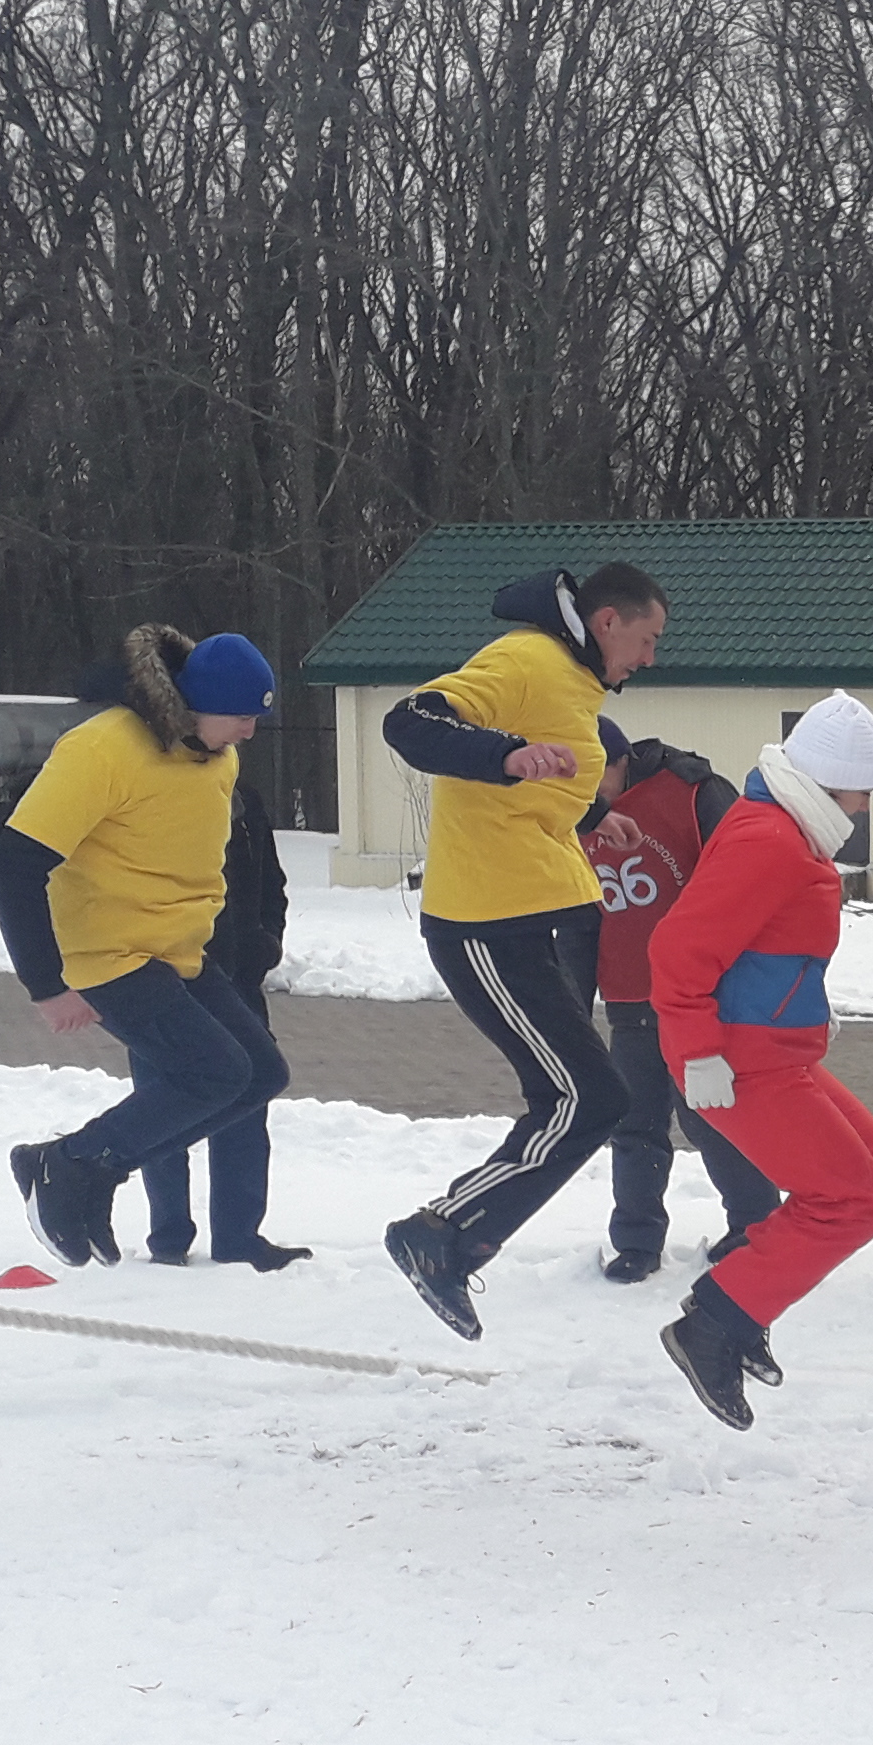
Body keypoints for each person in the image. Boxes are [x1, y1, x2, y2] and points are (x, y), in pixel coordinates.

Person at [376, 561, 665, 1338]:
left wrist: (588, 824)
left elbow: (527, 802)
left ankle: (454, 1238)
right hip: (486, 922)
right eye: (646, 639)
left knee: (581, 1099)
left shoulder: (573, 685)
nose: (648, 657)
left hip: (538, 910)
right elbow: (412, 722)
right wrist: (503, 755)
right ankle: (440, 1234)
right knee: (590, 1096)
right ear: (608, 623)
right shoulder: (527, 658)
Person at [0, 627, 289, 1267]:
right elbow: (13, 865)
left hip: (177, 951)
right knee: (214, 1073)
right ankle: (68, 1166)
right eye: (241, 718)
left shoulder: (215, 755)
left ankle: (85, 1170)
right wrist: (46, 985)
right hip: (107, 954)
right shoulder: (102, 750)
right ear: (196, 704)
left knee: (261, 1074)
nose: (249, 734)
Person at [650, 692, 873, 1427]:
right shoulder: (770, 840)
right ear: (826, 781)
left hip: (776, 1056)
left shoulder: (788, 833)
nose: (862, 807)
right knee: (850, 1200)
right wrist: (698, 1055)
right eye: (860, 789)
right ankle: (715, 1324)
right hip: (736, 1065)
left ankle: (736, 1306)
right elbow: (678, 951)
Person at [582, 723, 780, 1283]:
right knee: (635, 1122)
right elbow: (577, 919)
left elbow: (751, 876)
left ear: (619, 760)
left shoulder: (692, 791)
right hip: (627, 994)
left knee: (711, 1118)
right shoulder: (573, 817)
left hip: (699, 996)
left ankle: (756, 1225)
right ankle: (636, 1242)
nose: (585, 792)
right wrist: (575, 1001)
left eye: (592, 773)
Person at [136, 774, 306, 1270]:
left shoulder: (244, 798)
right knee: (163, 1104)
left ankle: (238, 1237)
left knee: (249, 1102)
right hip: (162, 980)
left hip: (238, 980)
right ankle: (167, 1238)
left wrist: (266, 940)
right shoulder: (153, 792)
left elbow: (271, 882)